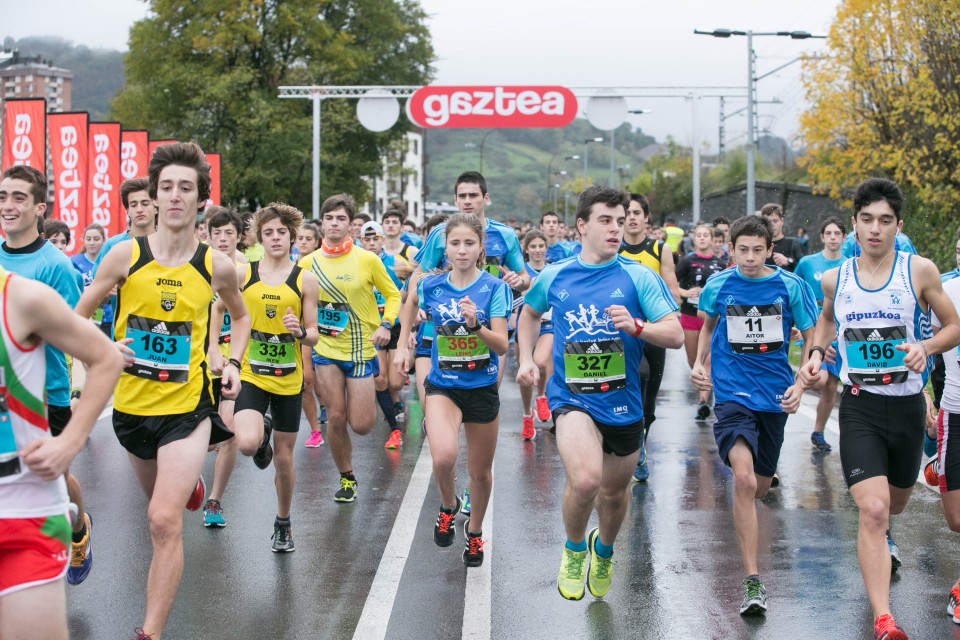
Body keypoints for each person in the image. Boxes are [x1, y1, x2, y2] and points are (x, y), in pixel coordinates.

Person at [76, 142, 251, 640]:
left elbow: (240, 317)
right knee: (164, 505)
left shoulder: (215, 265)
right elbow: (76, 320)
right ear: (153, 196)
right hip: (131, 411)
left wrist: (233, 362)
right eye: (167, 187)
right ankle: (190, 488)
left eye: (186, 188)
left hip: (187, 409)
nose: (175, 196)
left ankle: (149, 632)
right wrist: (108, 349)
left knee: (160, 521)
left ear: (200, 201)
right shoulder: (124, 255)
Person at [798, 177, 960, 640]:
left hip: (907, 408)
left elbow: (954, 326)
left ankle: (889, 522)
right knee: (872, 510)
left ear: (898, 225)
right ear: (854, 225)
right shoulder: (836, 277)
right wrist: (814, 355)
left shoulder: (920, 271)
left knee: (896, 503)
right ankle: (884, 618)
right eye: (866, 220)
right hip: (860, 408)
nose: (875, 229)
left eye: (885, 220)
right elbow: (826, 319)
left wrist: (925, 347)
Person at [518, 187, 682, 600]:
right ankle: (574, 549)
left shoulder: (638, 276)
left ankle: (603, 549)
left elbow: (676, 334)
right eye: (606, 220)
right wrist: (526, 358)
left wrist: (638, 327)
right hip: (572, 397)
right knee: (587, 479)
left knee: (614, 494)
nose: (617, 227)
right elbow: (530, 312)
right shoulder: (556, 275)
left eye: (621, 219)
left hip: (623, 400)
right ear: (582, 226)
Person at [691, 214, 818, 616]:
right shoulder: (718, 284)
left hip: (774, 397)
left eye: (757, 250)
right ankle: (752, 580)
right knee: (743, 481)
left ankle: (752, 513)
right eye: (741, 250)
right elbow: (707, 325)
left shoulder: (789, 285)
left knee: (760, 488)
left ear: (770, 251)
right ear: (730, 248)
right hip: (732, 394)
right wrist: (700, 363)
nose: (748, 258)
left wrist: (801, 381)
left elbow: (811, 331)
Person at [0, 263, 122, 640]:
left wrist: (68, 442)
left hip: (20, 511)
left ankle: (75, 523)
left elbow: (106, 358)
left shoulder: (20, 296)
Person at [396, 213, 510, 567]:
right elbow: (411, 303)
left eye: (469, 244)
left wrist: (476, 326)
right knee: (443, 456)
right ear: (445, 247)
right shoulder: (432, 285)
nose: (462, 250)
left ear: (480, 249)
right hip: (444, 385)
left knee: (480, 472)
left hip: (481, 387)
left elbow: (503, 345)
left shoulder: (494, 288)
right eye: (455, 243)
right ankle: (448, 505)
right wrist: (403, 343)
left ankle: (474, 533)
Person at [0, 166, 94, 587]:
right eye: (3, 196)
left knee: (52, 475)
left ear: (39, 208)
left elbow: (79, 332)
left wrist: (79, 389)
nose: (8, 205)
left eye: (19, 197)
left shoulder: (55, 265)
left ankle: (77, 528)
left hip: (46, 393)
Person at [221, 203, 318, 552]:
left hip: (288, 380)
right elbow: (219, 308)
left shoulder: (304, 278)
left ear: (292, 236)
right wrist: (218, 353)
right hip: (253, 374)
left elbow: (314, 334)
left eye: (281, 232)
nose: (275, 238)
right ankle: (262, 435)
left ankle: (283, 522)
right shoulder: (244, 273)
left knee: (284, 460)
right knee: (246, 443)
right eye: (268, 233)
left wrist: (300, 333)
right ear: (259, 238)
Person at [298, 194, 400, 503]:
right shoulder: (306, 263)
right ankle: (346, 477)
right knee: (337, 417)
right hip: (326, 350)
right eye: (329, 218)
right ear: (322, 223)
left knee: (362, 424)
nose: (334, 223)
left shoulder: (367, 260)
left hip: (360, 352)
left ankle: (351, 463)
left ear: (350, 226)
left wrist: (386, 324)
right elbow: (300, 309)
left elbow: (393, 295)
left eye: (341, 218)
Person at [618, 193, 681, 482]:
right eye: (627, 213)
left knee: (650, 395)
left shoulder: (659, 249)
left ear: (646, 218)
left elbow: (671, 287)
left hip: (653, 328)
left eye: (637, 213)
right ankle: (628, 443)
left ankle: (642, 441)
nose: (632, 217)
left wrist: (671, 316)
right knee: (637, 377)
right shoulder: (613, 249)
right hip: (624, 331)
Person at [199, 206, 247, 528]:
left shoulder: (243, 268)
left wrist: (222, 353)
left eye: (229, 233)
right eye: (217, 233)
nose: (223, 239)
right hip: (196, 360)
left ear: (239, 236)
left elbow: (223, 307)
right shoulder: (197, 263)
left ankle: (214, 501)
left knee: (228, 432)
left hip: (233, 358)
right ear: (208, 235)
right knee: (203, 436)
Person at [793, 217, 847, 452]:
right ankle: (796, 389)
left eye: (838, 233)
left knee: (831, 386)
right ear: (822, 237)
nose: (833, 237)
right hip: (814, 326)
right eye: (829, 233)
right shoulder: (807, 263)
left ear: (844, 238)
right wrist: (794, 322)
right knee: (819, 380)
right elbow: (794, 290)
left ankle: (818, 431)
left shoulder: (851, 263)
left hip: (841, 327)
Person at [928, 270, 960, 627]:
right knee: (956, 520)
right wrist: (925, 397)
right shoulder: (946, 291)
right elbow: (917, 338)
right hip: (956, 409)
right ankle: (941, 465)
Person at [358, 220, 407, 448]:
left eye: (374, 239)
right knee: (380, 379)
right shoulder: (356, 265)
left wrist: (411, 325)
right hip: (371, 329)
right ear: (360, 241)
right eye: (366, 239)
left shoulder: (397, 263)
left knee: (395, 382)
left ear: (382, 240)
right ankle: (394, 430)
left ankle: (395, 401)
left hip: (394, 327)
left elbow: (410, 294)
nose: (370, 243)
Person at [92, 178, 158, 339]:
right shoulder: (113, 246)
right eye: (133, 205)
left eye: (145, 203)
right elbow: (94, 294)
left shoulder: (170, 245)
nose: (139, 209)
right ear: (127, 210)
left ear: (156, 206)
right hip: (124, 338)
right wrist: (104, 294)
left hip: (166, 335)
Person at [674, 222, 727, 419]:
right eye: (699, 235)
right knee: (693, 359)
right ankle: (705, 387)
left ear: (713, 240)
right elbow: (671, 283)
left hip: (712, 318)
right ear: (694, 239)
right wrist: (686, 292)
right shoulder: (687, 262)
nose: (703, 238)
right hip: (690, 314)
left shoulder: (720, 265)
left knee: (709, 360)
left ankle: (703, 402)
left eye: (706, 235)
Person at [517, 230, 553, 439]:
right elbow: (515, 298)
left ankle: (541, 397)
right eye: (533, 247)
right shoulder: (523, 273)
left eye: (541, 246)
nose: (538, 250)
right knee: (525, 374)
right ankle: (526, 415)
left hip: (549, 324)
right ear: (527, 249)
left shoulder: (552, 270)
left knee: (539, 362)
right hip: (527, 326)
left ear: (546, 248)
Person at [295, 222, 327, 448]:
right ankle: (315, 430)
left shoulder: (322, 266)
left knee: (318, 383)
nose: (303, 242)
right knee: (306, 382)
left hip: (325, 332)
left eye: (308, 238)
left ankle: (330, 408)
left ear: (317, 242)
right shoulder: (289, 266)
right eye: (300, 238)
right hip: (300, 331)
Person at [759, 203, 804, 272]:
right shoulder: (759, 245)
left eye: (775, 221)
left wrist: (788, 261)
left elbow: (805, 268)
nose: (772, 225)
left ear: (782, 221)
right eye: (768, 222)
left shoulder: (793, 243)